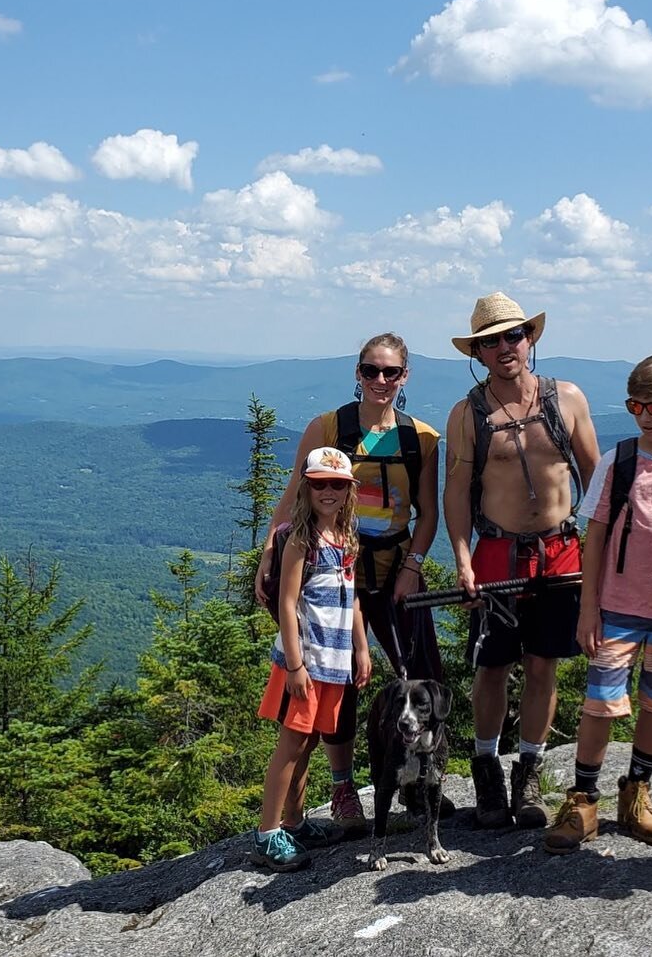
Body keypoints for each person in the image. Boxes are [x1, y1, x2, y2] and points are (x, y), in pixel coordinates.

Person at [255, 333, 443, 833]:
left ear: (405, 376)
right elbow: (295, 493)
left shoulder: (421, 438)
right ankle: (343, 791)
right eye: (370, 370)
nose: (380, 380)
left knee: (418, 673)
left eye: (390, 372)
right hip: (332, 573)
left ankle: (417, 779)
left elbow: (428, 515)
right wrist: (269, 551)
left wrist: (412, 567)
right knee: (335, 680)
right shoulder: (327, 427)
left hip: (394, 571)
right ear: (357, 373)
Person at [543, 354, 652, 854]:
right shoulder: (618, 465)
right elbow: (593, 538)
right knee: (599, 705)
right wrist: (587, 608)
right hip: (616, 608)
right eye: (636, 404)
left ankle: (637, 790)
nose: (645, 415)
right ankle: (583, 799)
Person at [444, 292, 599, 828]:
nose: (505, 347)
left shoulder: (568, 399)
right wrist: (462, 558)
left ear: (530, 338)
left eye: (513, 335)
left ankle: (528, 772)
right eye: (492, 341)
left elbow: (595, 481)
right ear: (479, 352)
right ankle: (487, 769)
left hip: (561, 552)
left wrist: (602, 556)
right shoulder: (468, 414)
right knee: (491, 667)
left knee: (542, 666)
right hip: (496, 554)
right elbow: (457, 491)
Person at [251, 447, 372, 871]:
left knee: (310, 742)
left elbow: (352, 599)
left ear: (349, 491)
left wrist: (361, 648)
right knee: (291, 745)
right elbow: (287, 604)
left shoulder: (347, 536)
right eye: (320, 483)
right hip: (303, 663)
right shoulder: (302, 540)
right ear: (306, 487)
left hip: (333, 662)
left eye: (337, 484)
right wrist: (296, 666)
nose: (329, 491)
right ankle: (267, 834)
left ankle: (296, 821)